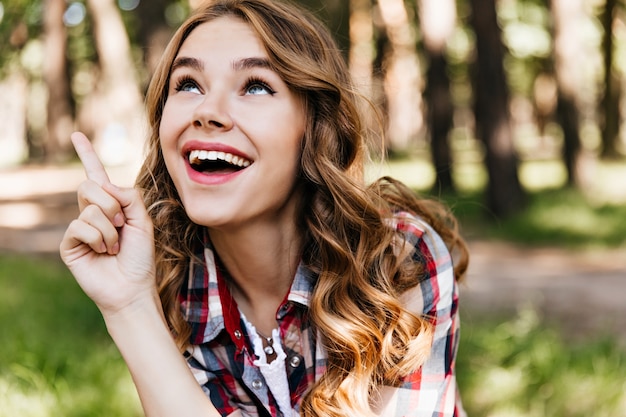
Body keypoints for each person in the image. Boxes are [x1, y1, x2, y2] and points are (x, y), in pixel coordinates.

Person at [60, 0, 469, 416]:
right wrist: (129, 306)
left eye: (255, 85)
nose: (207, 112)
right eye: (188, 84)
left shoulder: (397, 263)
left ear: (314, 128)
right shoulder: (168, 285)